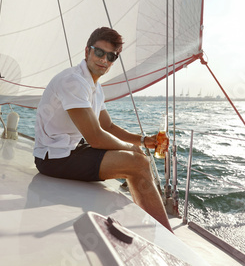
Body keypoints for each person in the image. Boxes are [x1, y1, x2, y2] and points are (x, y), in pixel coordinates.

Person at [33, 27, 172, 232]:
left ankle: (149, 224)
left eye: (111, 56)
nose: (104, 60)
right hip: (53, 158)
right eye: (99, 52)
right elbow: (96, 138)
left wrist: (142, 141)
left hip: (72, 150)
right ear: (87, 51)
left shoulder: (95, 87)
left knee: (138, 159)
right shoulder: (73, 81)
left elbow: (107, 126)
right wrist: (132, 149)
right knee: (138, 163)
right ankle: (165, 236)